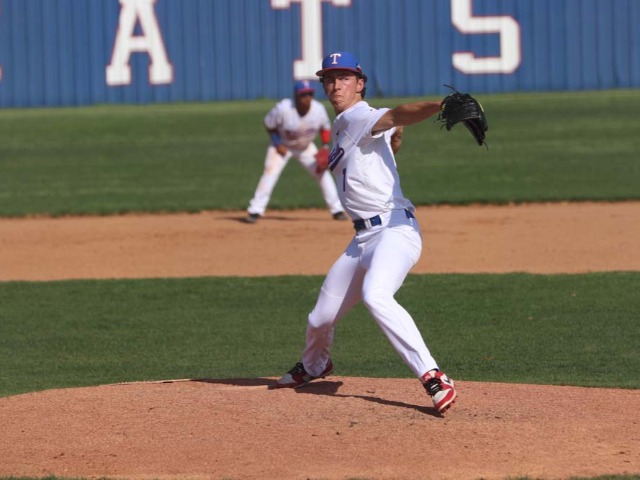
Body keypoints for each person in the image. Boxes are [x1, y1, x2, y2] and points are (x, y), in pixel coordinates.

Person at [274, 52, 457, 414]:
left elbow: (397, 115)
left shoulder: (358, 115)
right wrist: (395, 138)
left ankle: (433, 375)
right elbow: (390, 136)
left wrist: (439, 105)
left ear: (360, 84)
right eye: (329, 79)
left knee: (376, 295)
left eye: (344, 78)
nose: (335, 85)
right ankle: (315, 365)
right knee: (320, 319)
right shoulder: (345, 123)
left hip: (394, 229)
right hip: (361, 241)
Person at [244, 80, 347, 223]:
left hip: (306, 147)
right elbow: (269, 125)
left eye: (310, 94)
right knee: (270, 174)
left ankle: (337, 210)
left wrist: (324, 147)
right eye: (303, 94)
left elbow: (325, 127)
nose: (307, 97)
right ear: (296, 96)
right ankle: (255, 210)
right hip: (283, 146)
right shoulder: (283, 109)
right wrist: (277, 144)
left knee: (322, 174)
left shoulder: (318, 109)